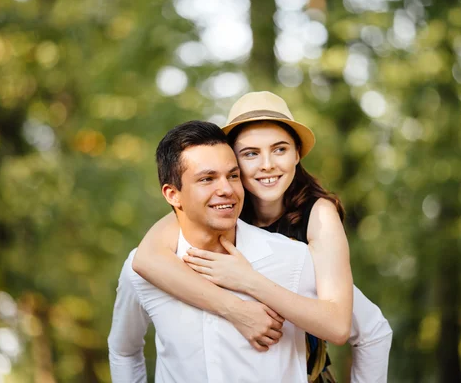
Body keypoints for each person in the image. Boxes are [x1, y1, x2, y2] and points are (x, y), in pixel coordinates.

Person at [132, 91, 393, 382]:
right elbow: (146, 258)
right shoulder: (222, 209)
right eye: (251, 153)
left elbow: (343, 324)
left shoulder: (318, 216)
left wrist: (248, 281)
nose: (267, 164)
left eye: (280, 149)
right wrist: (235, 309)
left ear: (297, 154)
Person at [108, 120, 320, 382]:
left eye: (232, 176)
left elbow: (364, 330)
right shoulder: (140, 271)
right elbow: (123, 351)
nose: (226, 190)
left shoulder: (291, 258)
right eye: (207, 179)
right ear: (173, 194)